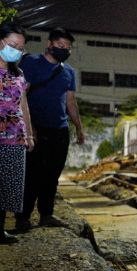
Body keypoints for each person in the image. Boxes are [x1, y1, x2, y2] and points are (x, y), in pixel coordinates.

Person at [15, 28, 84, 231]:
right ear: (49, 44)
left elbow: (71, 102)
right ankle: (23, 218)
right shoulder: (30, 63)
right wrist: (28, 127)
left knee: (52, 175)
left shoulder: (69, 72)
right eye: (61, 46)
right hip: (37, 128)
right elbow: (21, 95)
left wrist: (79, 128)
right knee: (32, 174)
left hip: (59, 130)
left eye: (68, 47)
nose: (64, 49)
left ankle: (46, 215)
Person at [0, 22, 34, 244]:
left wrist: (29, 135)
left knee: (7, 186)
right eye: (12, 45)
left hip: (14, 138)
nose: (16, 50)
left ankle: (0, 229)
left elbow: (24, 106)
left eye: (20, 48)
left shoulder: (18, 74)